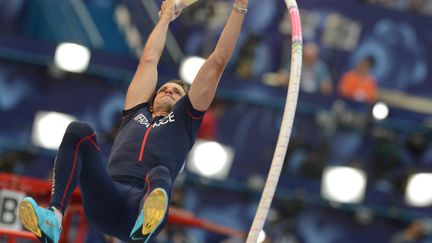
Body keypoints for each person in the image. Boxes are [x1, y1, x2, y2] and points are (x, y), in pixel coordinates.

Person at [17, 0, 249, 242]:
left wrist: (239, 7)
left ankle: (146, 224)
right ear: (153, 96)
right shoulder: (136, 112)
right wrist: (165, 17)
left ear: (185, 102)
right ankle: (53, 218)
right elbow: (149, 58)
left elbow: (218, 61)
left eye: (177, 92)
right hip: (105, 200)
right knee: (79, 130)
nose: (168, 91)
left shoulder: (184, 119)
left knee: (159, 172)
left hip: (140, 206)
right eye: (164, 89)